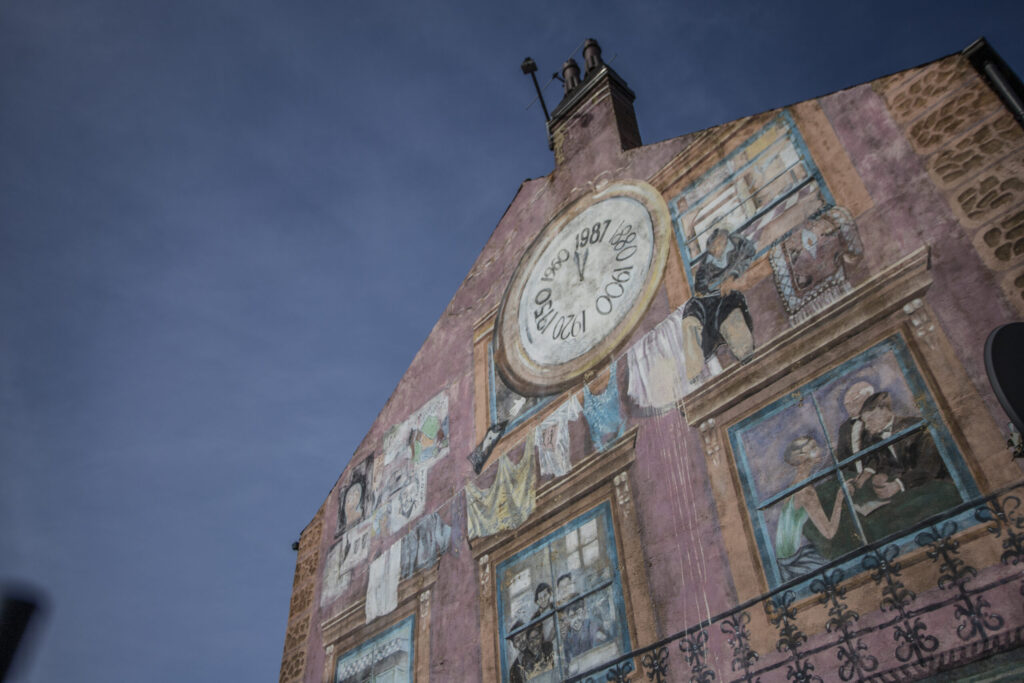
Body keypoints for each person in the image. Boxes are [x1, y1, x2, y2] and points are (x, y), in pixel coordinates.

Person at [680, 227, 756, 383]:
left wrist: (732, 276)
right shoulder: (706, 264)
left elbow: (749, 252)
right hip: (706, 303)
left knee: (735, 327)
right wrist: (704, 290)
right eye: (712, 249)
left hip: (727, 298)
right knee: (690, 321)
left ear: (723, 240)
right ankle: (694, 374)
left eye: (717, 246)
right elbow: (700, 286)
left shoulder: (737, 242)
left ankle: (748, 360)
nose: (715, 251)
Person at [775, 436, 847, 581]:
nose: (819, 450)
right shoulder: (806, 491)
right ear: (802, 457)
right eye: (813, 448)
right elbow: (829, 532)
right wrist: (840, 498)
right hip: (794, 562)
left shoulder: (793, 485)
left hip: (785, 559)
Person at [851, 392, 948, 499]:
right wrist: (882, 473)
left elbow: (928, 466)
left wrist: (898, 485)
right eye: (865, 422)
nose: (866, 427)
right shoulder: (876, 438)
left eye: (870, 419)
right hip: (912, 491)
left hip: (940, 484)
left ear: (884, 410)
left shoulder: (916, 425)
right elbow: (887, 462)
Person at [834, 381, 874, 464]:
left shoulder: (875, 417)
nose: (850, 405)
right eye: (847, 403)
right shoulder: (844, 428)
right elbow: (842, 458)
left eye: (855, 399)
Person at [560, 599, 610, 664]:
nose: (576, 620)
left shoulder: (592, 626)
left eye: (579, 614)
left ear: (583, 613)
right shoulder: (568, 638)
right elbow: (568, 661)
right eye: (572, 617)